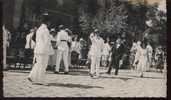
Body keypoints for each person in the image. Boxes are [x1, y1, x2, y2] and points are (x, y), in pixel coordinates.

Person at [28, 20, 54, 85]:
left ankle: (32, 76)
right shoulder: (46, 30)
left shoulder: (39, 29)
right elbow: (47, 41)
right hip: (43, 50)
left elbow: (34, 38)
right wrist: (49, 50)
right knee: (43, 65)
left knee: (38, 64)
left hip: (37, 49)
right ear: (48, 22)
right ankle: (41, 80)